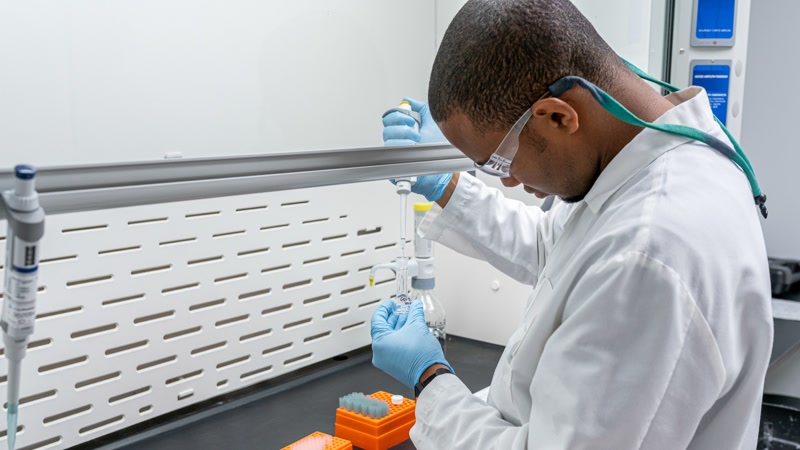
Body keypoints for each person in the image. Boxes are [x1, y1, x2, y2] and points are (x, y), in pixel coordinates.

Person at [369, 0, 773, 448]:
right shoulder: (645, 162)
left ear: (559, 115)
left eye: (498, 160)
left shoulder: (649, 255)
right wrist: (448, 186)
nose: (507, 178)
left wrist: (430, 377)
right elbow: (557, 249)